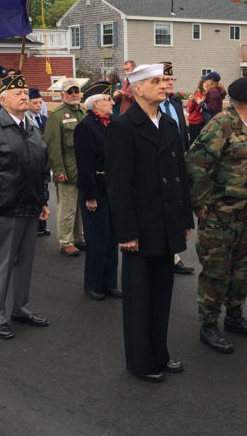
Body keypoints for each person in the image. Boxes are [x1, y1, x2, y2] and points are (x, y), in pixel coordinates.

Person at [106, 63, 193, 382]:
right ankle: (141, 362)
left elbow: (180, 176)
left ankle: (161, 353)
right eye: (155, 81)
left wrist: (185, 218)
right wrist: (126, 232)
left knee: (162, 294)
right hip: (140, 228)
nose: (163, 85)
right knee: (140, 298)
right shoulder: (124, 127)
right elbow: (118, 185)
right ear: (136, 88)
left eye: (164, 80)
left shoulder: (169, 124)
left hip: (167, 224)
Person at [186, 76, 247, 354]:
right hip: (220, 214)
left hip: (244, 212)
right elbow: (195, 164)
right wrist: (200, 203)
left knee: (242, 268)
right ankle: (208, 325)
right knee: (216, 271)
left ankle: (234, 317)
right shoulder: (221, 124)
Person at [0, 73, 51, 340]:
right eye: (18, 94)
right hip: (4, 208)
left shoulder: (32, 128)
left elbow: (40, 167)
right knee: (2, 264)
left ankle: (20, 308)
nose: (24, 96)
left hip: (29, 206)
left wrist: (43, 200)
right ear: (3, 100)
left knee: (25, 263)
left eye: (26, 92)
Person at [74, 81, 120, 300]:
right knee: (97, 239)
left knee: (112, 237)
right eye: (108, 99)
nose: (112, 102)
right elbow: (84, 165)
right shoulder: (85, 126)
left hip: (111, 189)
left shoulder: (109, 124)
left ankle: (110, 282)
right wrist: (90, 196)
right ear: (95, 104)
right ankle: (93, 284)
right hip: (95, 190)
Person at [159, 61, 195, 275]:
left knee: (178, 208)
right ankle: (170, 257)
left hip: (178, 161)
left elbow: (183, 135)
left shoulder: (174, 104)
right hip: (162, 166)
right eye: (166, 79)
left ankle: (174, 255)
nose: (170, 82)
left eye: (172, 79)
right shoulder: (152, 107)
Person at [45, 79, 86, 257]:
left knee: (80, 207)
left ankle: (79, 238)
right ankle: (66, 241)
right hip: (67, 170)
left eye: (76, 91)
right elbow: (53, 146)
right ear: (63, 95)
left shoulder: (83, 112)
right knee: (67, 208)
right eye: (70, 92)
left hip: (82, 170)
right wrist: (59, 170)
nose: (74, 94)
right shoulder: (57, 115)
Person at [28, 87, 51, 237]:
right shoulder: (27, 120)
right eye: (35, 103)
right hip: (32, 160)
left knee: (44, 192)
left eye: (40, 102)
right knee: (33, 193)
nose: (38, 106)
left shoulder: (44, 119)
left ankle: (42, 225)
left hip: (44, 160)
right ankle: (34, 225)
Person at [186, 77, 207, 144]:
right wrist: (192, 102)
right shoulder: (196, 94)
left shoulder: (205, 95)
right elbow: (188, 109)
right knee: (197, 142)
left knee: (194, 142)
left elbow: (189, 109)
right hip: (196, 122)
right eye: (205, 83)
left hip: (197, 122)